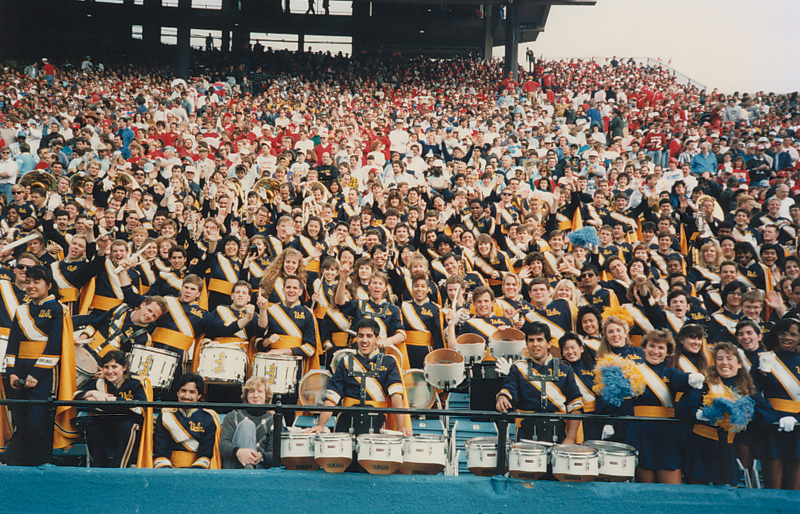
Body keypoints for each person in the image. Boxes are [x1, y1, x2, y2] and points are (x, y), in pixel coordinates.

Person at [677, 342, 789, 486]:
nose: (724, 363)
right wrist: (700, 414)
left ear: (739, 364)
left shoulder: (746, 388)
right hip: (700, 447)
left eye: (729, 358)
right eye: (720, 358)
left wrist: (745, 416)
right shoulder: (705, 383)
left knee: (729, 493)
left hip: (728, 448)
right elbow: (682, 408)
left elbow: (768, 413)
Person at [3, 264, 76, 466]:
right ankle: (17, 464)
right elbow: (13, 344)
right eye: (28, 282)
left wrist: (35, 375)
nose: (31, 286)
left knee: (38, 421)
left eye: (36, 282)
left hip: (43, 376)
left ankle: (38, 465)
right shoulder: (22, 310)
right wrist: (11, 373)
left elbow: (54, 346)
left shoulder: (57, 309)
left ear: (49, 285)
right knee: (21, 420)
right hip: (19, 374)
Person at [307, 319, 411, 448]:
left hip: (376, 422)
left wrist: (401, 427)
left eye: (369, 336)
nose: (364, 340)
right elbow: (332, 396)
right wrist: (321, 424)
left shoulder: (388, 362)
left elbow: (396, 395)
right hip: (346, 421)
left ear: (377, 339)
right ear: (356, 338)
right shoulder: (345, 361)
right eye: (360, 336)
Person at [495, 321, 583, 443]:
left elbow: (575, 405)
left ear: (549, 343)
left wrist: (570, 438)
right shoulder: (519, 367)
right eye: (531, 340)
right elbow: (509, 387)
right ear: (526, 344)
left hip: (558, 435)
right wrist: (503, 397)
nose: (535, 344)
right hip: (525, 436)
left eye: (539, 340)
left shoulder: (565, 369)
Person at [74, 350, 152, 468]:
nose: (110, 371)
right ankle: (99, 470)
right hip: (107, 425)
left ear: (124, 367)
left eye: (114, 366)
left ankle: (118, 469)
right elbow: (75, 395)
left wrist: (114, 400)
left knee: (128, 426)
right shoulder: (99, 381)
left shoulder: (137, 382)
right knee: (92, 429)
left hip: (130, 427)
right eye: (106, 367)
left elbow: (141, 408)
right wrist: (93, 393)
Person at [754, 318, 800, 490]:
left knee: (795, 490)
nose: (787, 337)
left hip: (797, 427)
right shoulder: (765, 359)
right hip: (772, 426)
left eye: (793, 334)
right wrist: (762, 373)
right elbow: (752, 391)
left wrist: (797, 417)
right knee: (773, 488)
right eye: (783, 333)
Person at [153, 373, 221, 469]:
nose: (186, 396)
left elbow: (206, 453)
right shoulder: (165, 415)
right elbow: (161, 450)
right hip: (168, 468)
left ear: (199, 396)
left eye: (192, 392)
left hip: (198, 470)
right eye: (183, 391)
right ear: (177, 393)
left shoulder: (209, 417)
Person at [219, 376, 274, 469]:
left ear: (266, 396)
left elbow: (275, 453)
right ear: (246, 395)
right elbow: (223, 445)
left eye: (260, 391)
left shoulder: (273, 420)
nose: (255, 395)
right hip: (235, 467)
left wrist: (261, 457)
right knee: (247, 424)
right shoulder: (233, 416)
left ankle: (250, 469)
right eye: (251, 391)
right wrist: (238, 452)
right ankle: (249, 469)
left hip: (261, 469)